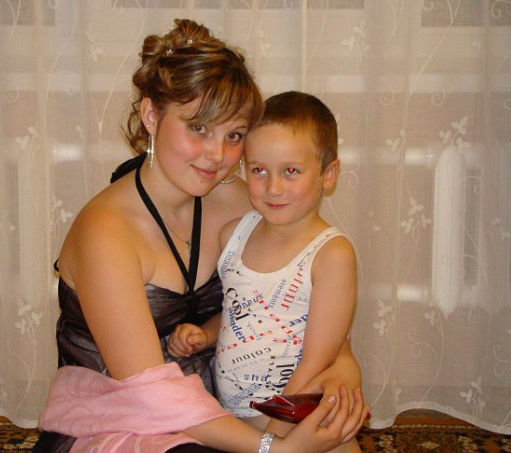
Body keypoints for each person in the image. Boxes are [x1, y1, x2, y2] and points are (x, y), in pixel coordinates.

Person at [35, 19, 368, 453]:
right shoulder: (105, 232)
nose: (217, 155)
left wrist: (343, 365)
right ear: (151, 115)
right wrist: (275, 448)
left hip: (227, 407)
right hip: (124, 418)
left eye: (234, 136)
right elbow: (150, 393)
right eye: (199, 128)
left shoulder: (242, 201)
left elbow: (307, 297)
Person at [167, 91, 362, 452]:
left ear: (329, 174)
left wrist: (275, 433)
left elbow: (318, 359)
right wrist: (206, 335)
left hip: (305, 418)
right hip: (240, 418)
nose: (273, 188)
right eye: (259, 170)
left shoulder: (331, 254)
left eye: (291, 171)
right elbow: (239, 312)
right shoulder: (234, 235)